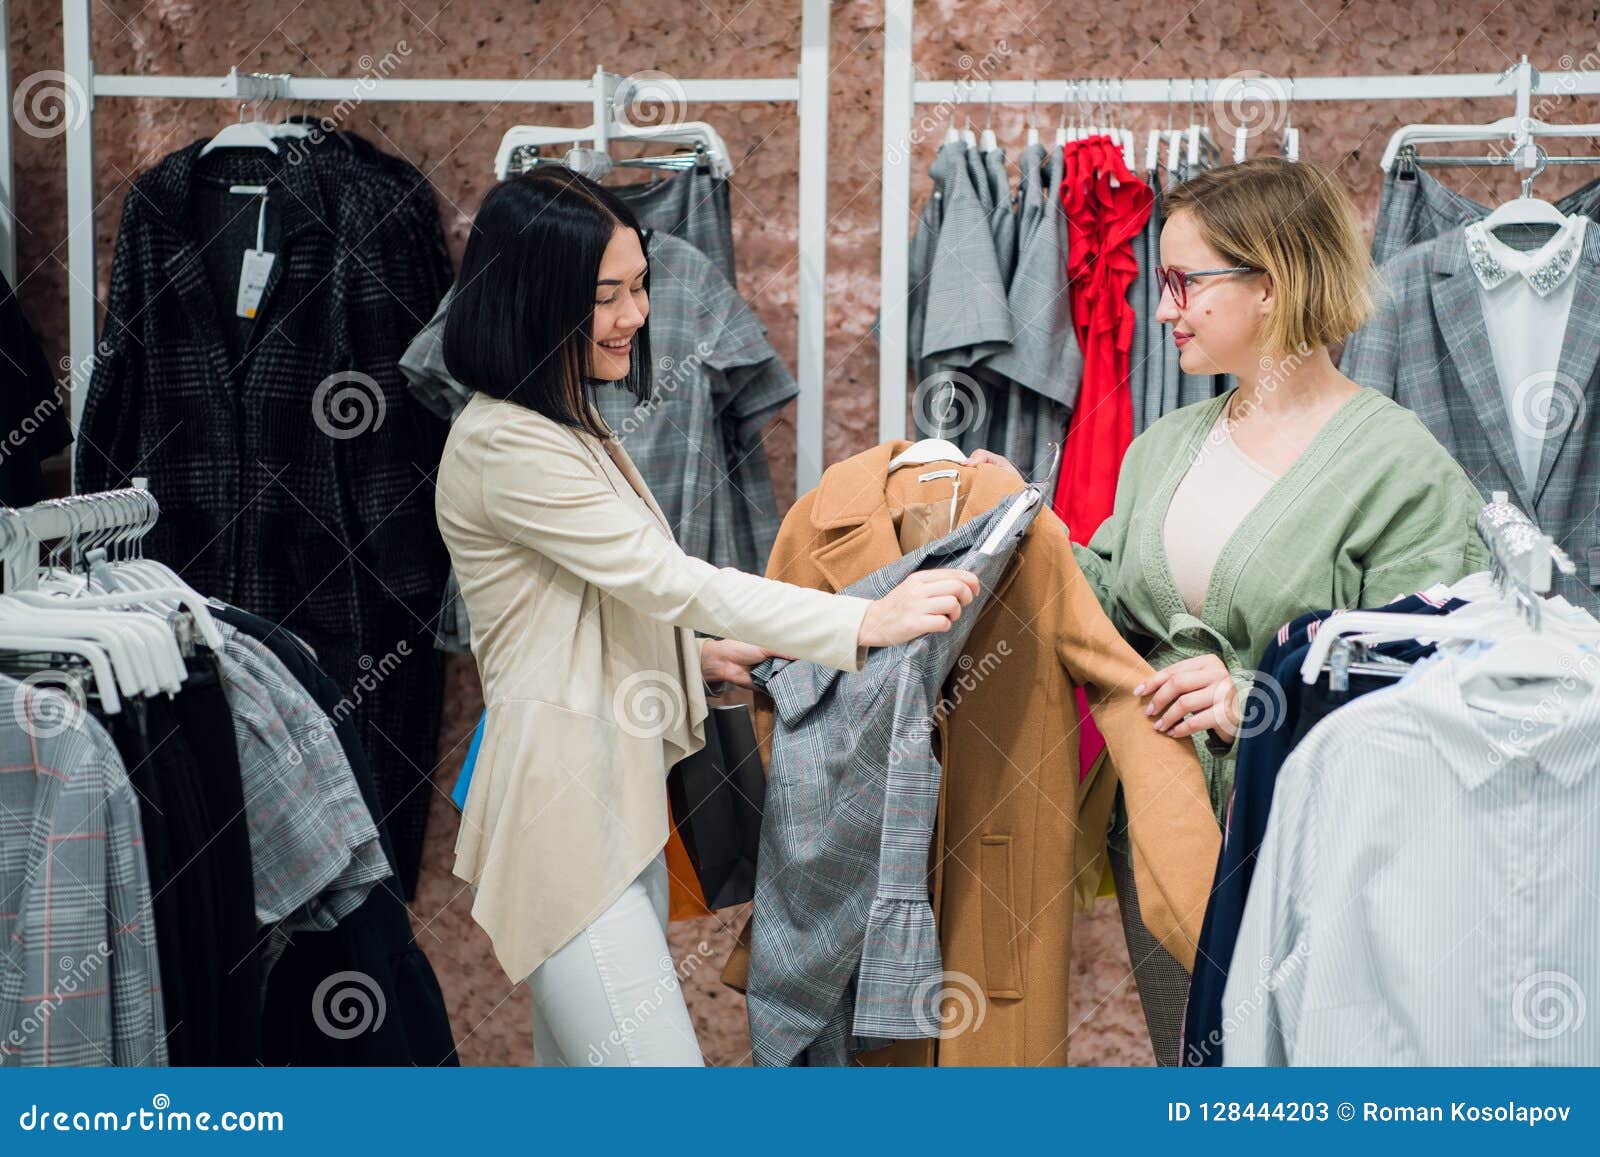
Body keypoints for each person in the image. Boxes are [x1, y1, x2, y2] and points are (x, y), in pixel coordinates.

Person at [434, 168, 981, 1067]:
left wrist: (693, 662)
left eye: (639, 284)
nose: (636, 314)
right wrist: (861, 621)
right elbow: (667, 579)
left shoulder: (565, 425)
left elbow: (577, 615)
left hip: (609, 805)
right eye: (605, 296)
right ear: (533, 300)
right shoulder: (509, 442)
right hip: (564, 817)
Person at [970, 156, 1489, 1063]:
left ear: (1273, 283)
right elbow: (1114, 608)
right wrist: (1011, 534)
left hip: (1316, 850)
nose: (1161, 308)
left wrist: (1256, 696)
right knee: (1197, 1072)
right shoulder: (1163, 448)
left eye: (1182, 282)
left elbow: (1445, 684)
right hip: (1165, 835)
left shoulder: (1400, 468)